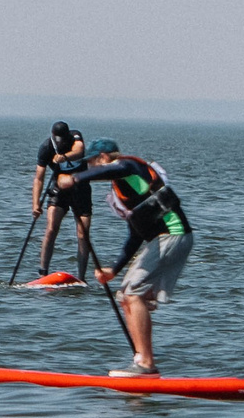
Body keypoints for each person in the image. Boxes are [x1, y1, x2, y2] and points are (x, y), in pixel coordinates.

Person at [74, 138, 194, 376]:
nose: (90, 168)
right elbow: (135, 234)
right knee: (125, 296)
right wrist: (114, 270)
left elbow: (117, 168)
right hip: (159, 240)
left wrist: (75, 179)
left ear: (104, 158)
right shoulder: (123, 189)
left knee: (134, 292)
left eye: (92, 162)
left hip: (173, 235)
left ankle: (147, 364)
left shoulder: (129, 167)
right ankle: (140, 358)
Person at [32, 121, 94, 278]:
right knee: (51, 228)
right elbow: (39, 178)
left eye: (63, 139)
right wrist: (35, 204)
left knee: (83, 234)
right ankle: (43, 273)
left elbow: (79, 151)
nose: (61, 142)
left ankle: (82, 277)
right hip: (59, 189)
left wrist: (64, 157)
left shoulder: (75, 136)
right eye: (58, 140)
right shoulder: (46, 148)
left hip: (81, 189)